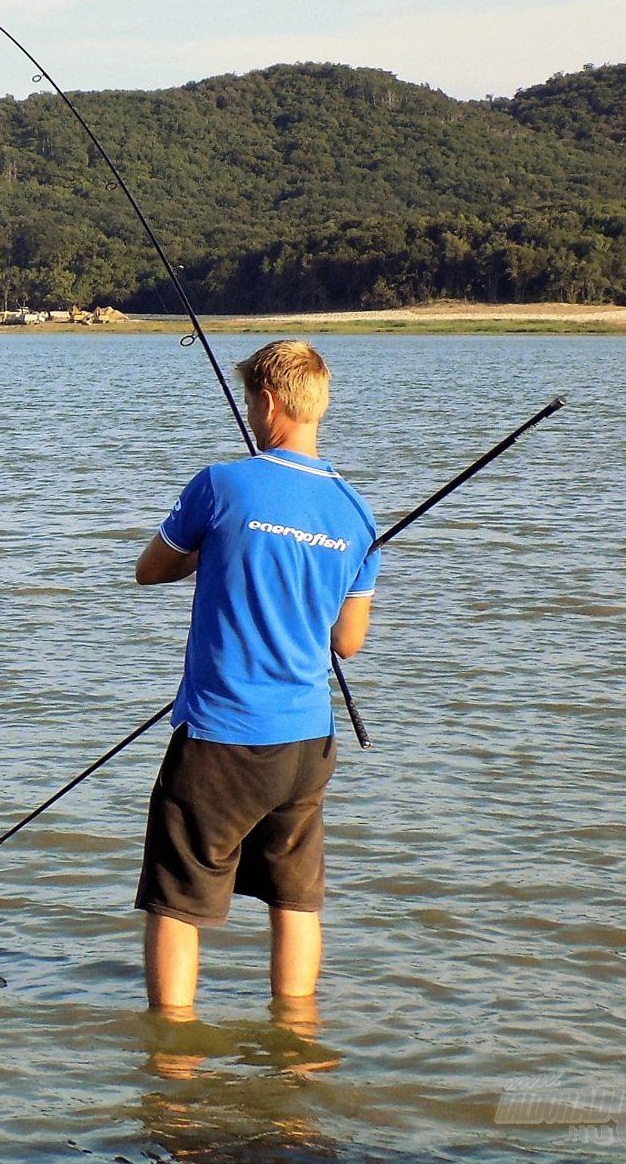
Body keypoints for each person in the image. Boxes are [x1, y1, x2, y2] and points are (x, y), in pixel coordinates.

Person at [131, 339, 378, 1011]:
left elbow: (149, 568)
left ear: (267, 402)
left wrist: (215, 546)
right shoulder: (357, 515)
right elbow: (348, 644)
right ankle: (296, 1043)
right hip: (306, 745)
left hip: (222, 739)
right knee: (296, 901)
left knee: (177, 902)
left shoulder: (221, 485)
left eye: (249, 399)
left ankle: (173, 1061)